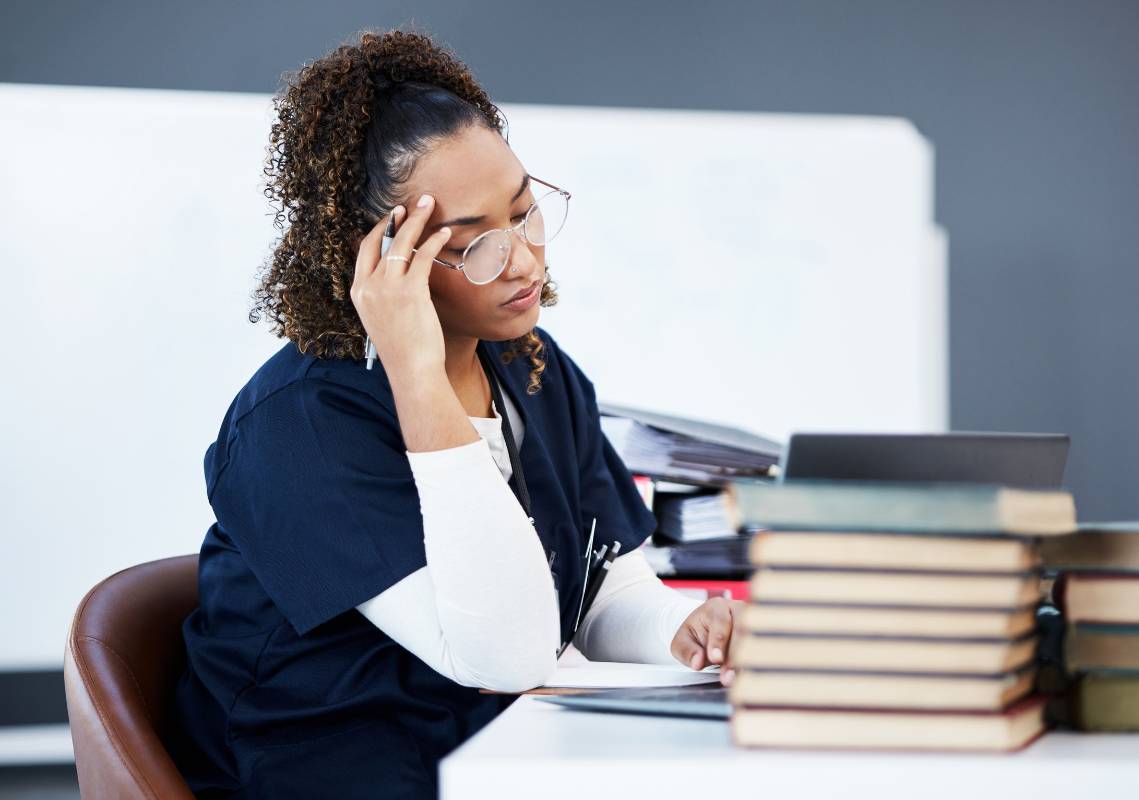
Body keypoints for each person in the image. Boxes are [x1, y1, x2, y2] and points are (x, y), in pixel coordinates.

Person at [167, 27, 744, 799]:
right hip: (329, 767)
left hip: (486, 750)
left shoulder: (534, 373)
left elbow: (604, 586)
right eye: (475, 245)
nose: (526, 260)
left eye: (526, 212)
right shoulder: (297, 428)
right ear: (380, 261)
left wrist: (679, 630)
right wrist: (414, 366)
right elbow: (506, 654)